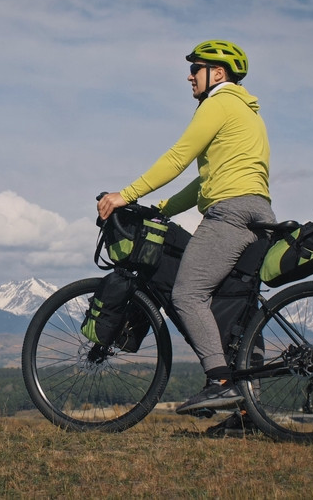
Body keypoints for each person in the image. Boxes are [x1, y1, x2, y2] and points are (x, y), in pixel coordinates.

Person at [96, 39, 275, 421]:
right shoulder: (248, 114)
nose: (189, 76)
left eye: (196, 68)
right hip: (259, 214)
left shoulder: (220, 103)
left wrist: (125, 195)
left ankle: (220, 383)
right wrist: (162, 207)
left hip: (230, 214)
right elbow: (202, 184)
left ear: (218, 73)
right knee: (235, 310)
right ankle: (247, 415)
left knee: (188, 294)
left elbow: (179, 158)